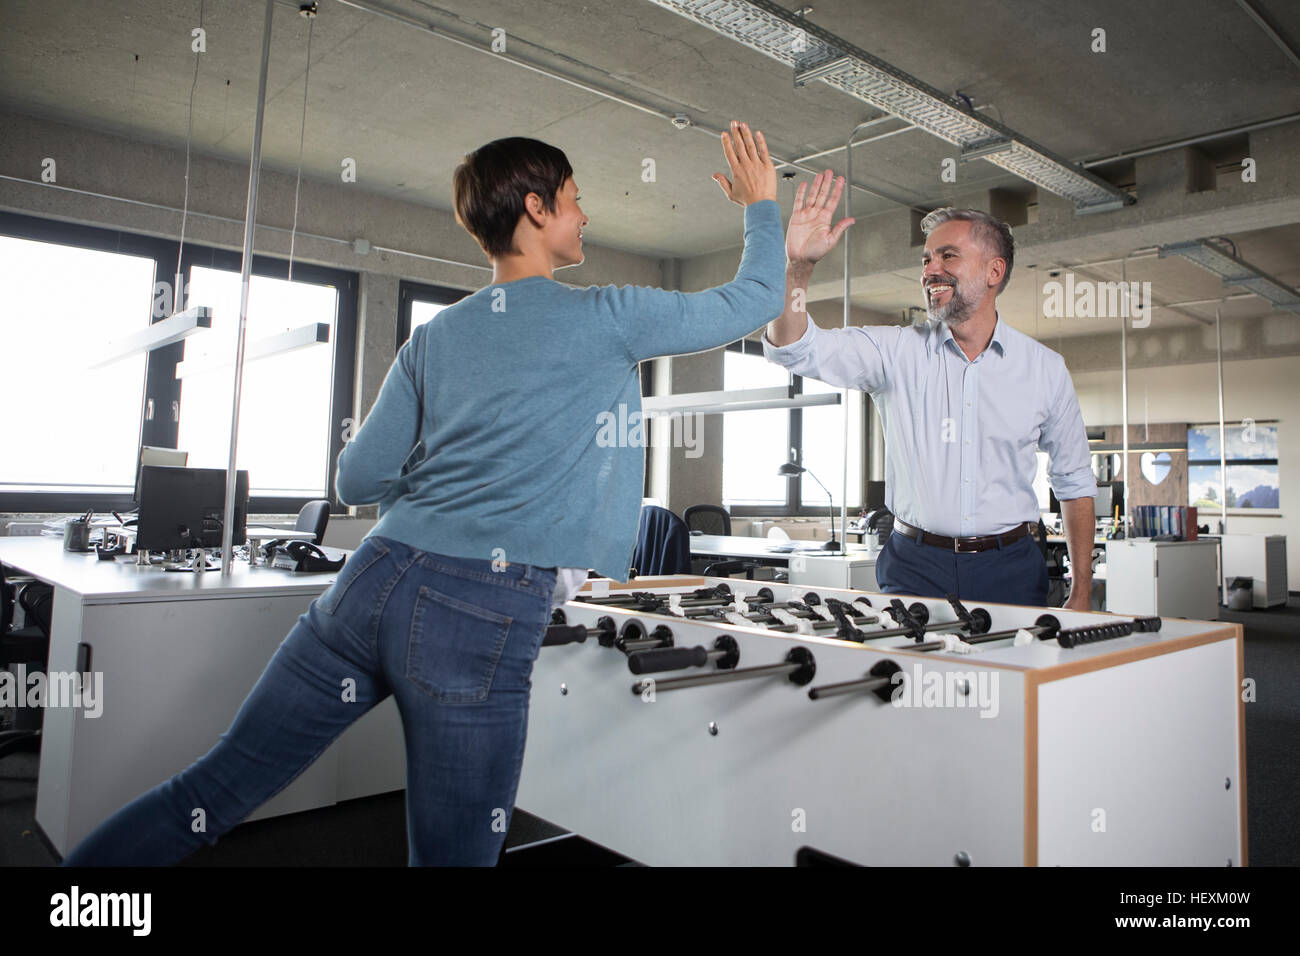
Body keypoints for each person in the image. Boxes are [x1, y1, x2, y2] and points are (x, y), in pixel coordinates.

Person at [62, 121, 786, 866]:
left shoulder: (435, 338)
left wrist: (438, 487)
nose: (585, 215)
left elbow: (354, 479)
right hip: (480, 611)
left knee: (209, 793)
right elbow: (757, 297)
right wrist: (761, 205)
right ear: (537, 209)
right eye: (575, 200)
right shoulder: (606, 316)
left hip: (369, 583)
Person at [763, 174, 1095, 609]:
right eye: (926, 259)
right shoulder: (894, 351)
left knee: (1012, 678)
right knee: (913, 678)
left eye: (948, 255)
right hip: (915, 565)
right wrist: (799, 268)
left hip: (1010, 568)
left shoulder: (1045, 369)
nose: (930, 269)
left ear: (995, 271)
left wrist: (1083, 588)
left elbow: (1073, 481)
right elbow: (792, 347)